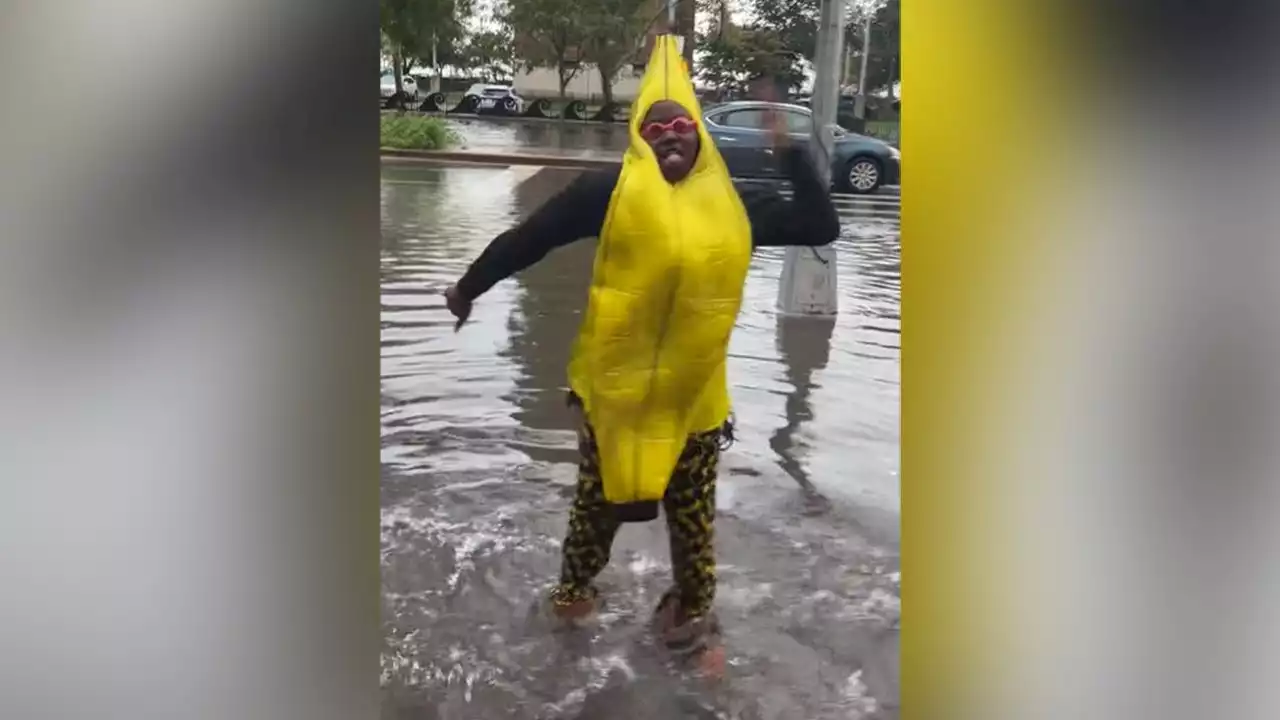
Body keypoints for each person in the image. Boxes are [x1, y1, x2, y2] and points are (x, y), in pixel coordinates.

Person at [442, 37, 839, 670]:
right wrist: (467, 288)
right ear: (638, 136)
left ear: (700, 138)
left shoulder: (731, 204)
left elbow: (821, 226)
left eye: (683, 124)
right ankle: (571, 618)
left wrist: (789, 156)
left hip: (695, 403)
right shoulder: (607, 193)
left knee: (693, 528)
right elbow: (530, 240)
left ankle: (690, 625)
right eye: (655, 126)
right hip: (611, 397)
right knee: (595, 519)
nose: (671, 134)